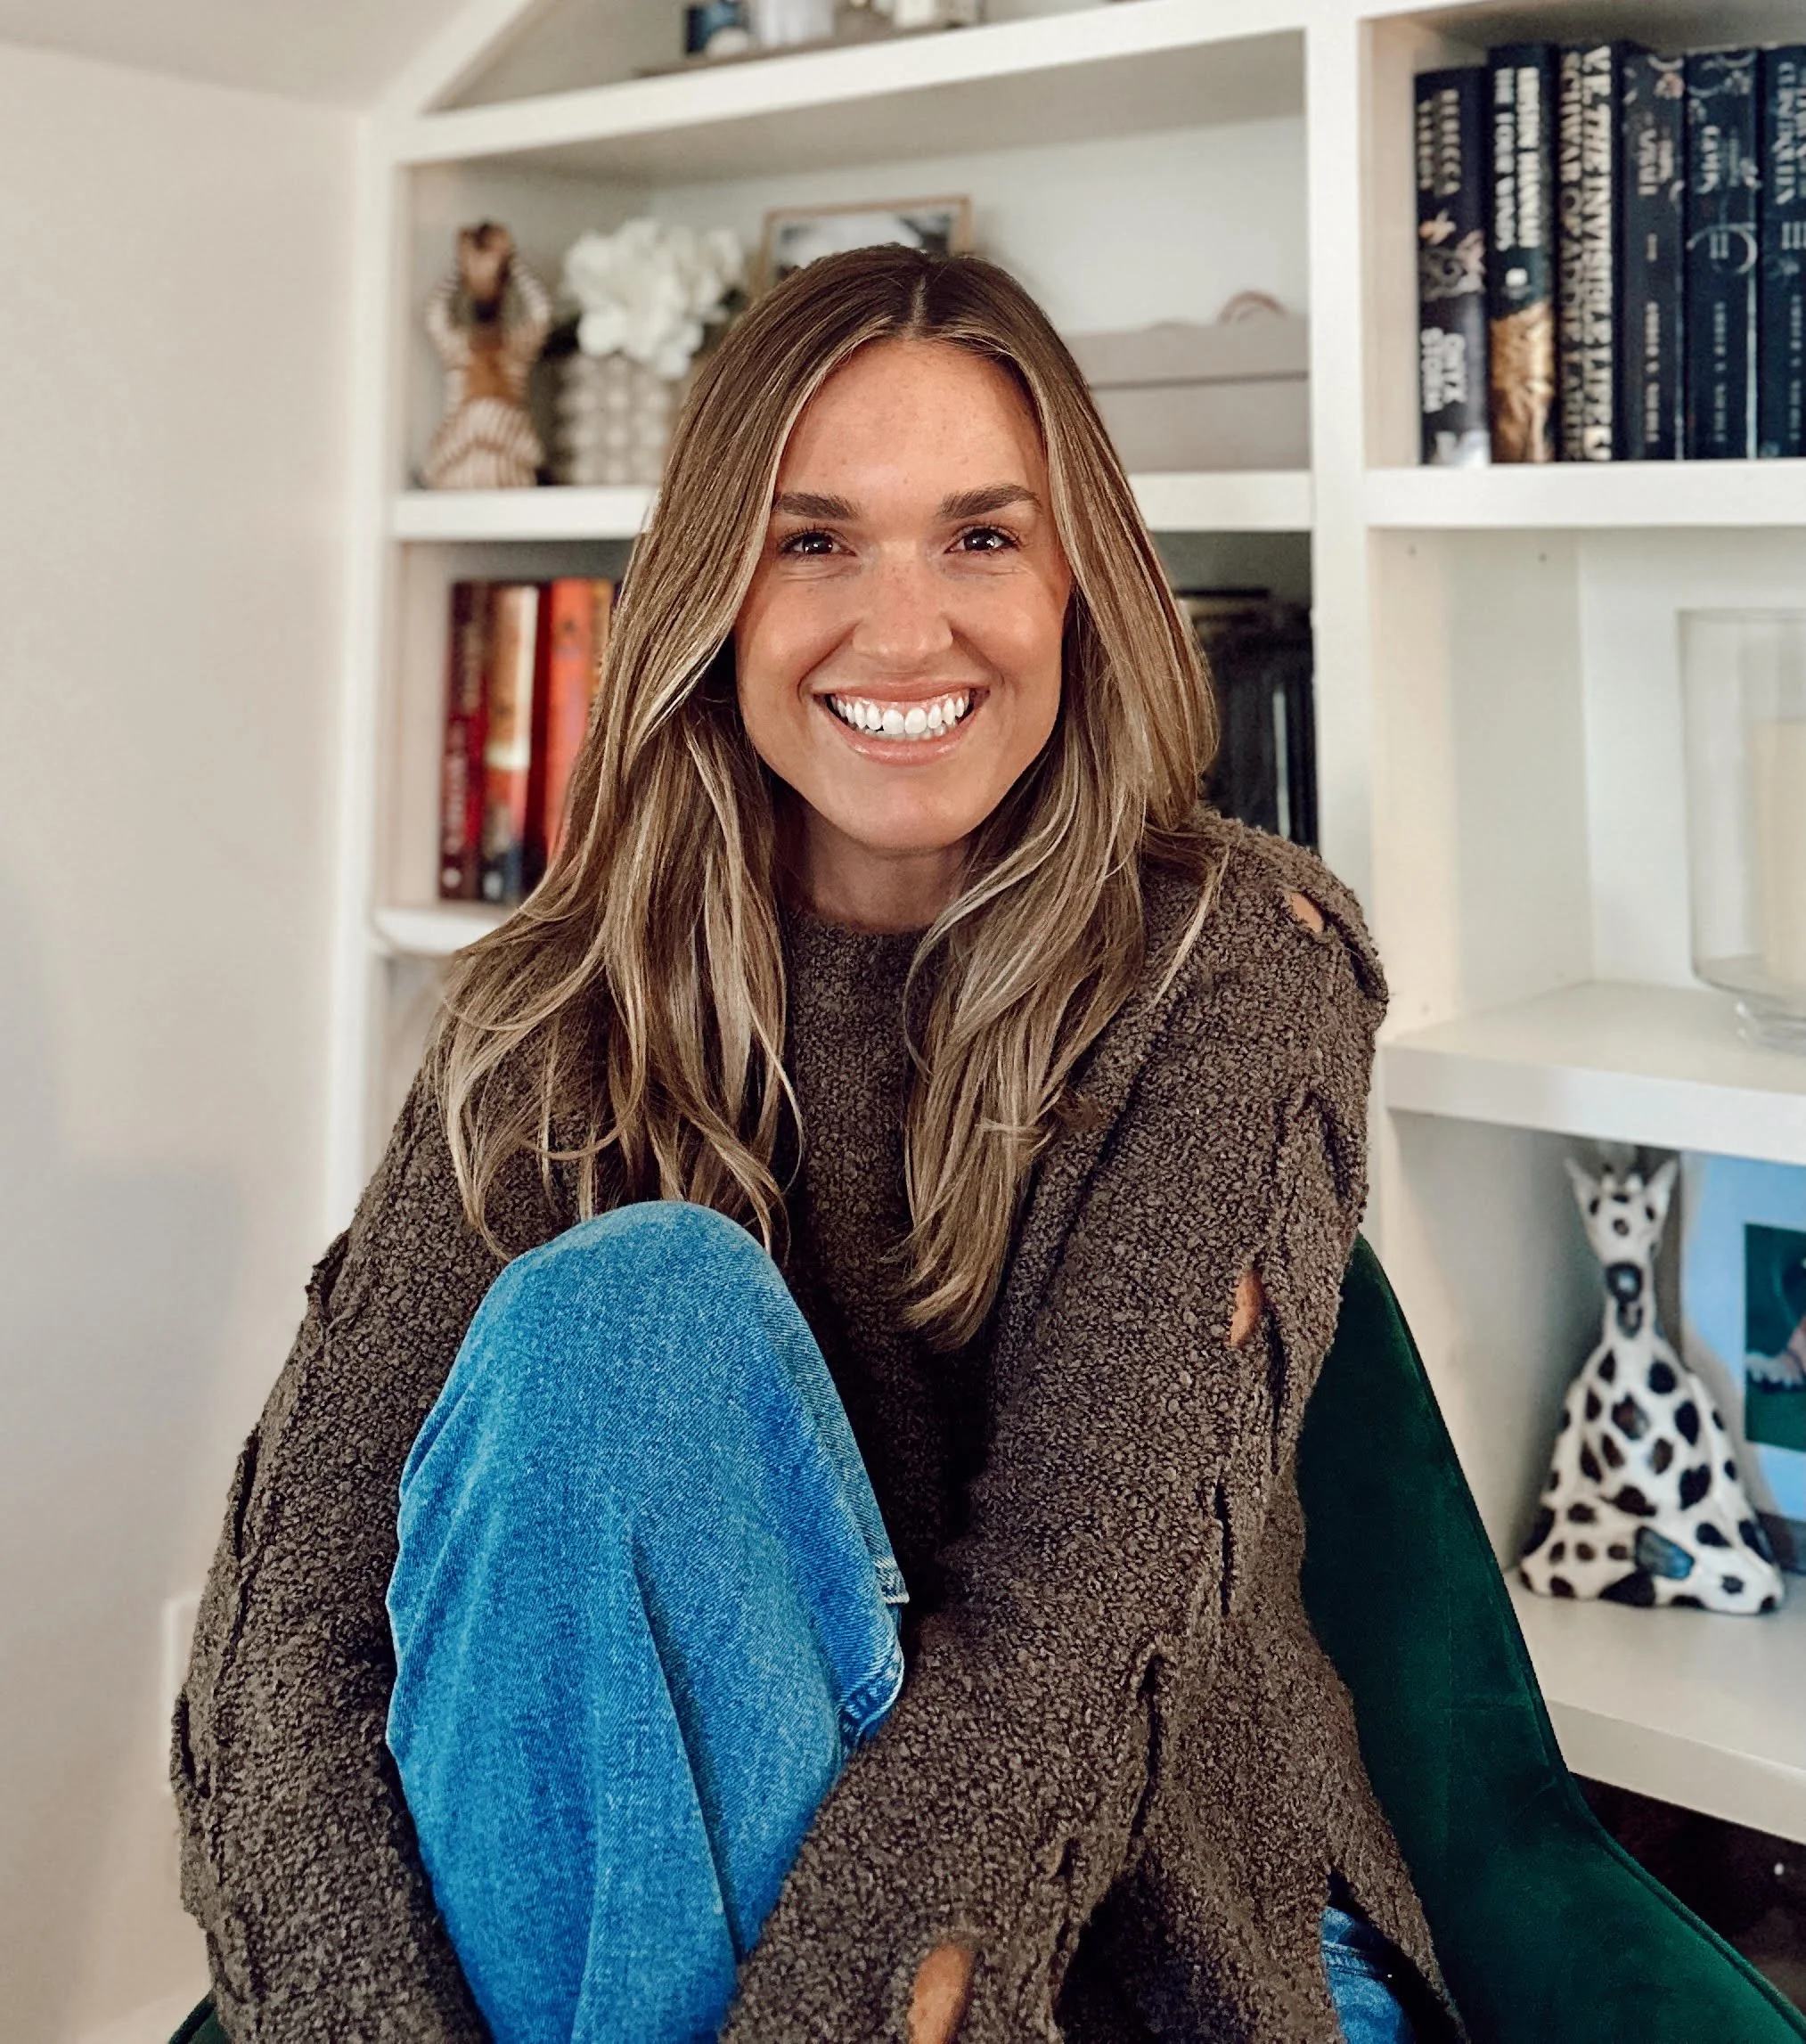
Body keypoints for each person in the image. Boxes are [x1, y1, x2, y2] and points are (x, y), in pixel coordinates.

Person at [173, 246, 1463, 2044]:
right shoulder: (547, 1009)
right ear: (717, 586)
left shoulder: (1228, 967)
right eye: (815, 540)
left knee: (639, 1315)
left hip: (1139, 1940)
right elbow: (286, 1650)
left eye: (980, 536)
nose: (904, 626)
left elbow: (1065, 1662)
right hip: (651, 1882)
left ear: (1078, 578)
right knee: (623, 1324)